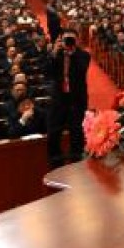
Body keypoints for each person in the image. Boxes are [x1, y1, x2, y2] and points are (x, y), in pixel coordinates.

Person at [47, 30, 90, 167]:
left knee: (77, 133)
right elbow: (48, 72)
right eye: (66, 39)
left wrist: (72, 54)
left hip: (77, 100)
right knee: (54, 132)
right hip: (59, 100)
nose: (69, 42)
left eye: (71, 39)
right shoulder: (56, 54)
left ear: (77, 41)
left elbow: (82, 69)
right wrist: (54, 53)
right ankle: (56, 164)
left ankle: (77, 163)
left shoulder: (83, 55)